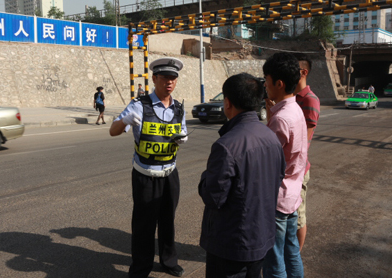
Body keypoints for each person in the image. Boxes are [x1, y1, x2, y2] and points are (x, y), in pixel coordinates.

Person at [199, 73, 286, 278]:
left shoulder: (226, 145)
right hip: (261, 237)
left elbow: (213, 197)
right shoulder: (270, 137)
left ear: (227, 102)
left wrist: (205, 177)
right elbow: (278, 177)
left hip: (231, 243)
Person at [109, 57, 188, 278]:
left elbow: (181, 131)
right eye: (165, 78)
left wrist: (181, 138)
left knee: (167, 220)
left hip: (170, 173)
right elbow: (112, 131)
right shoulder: (138, 106)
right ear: (154, 79)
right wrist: (124, 121)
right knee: (144, 225)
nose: (169, 83)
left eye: (173, 79)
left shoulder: (179, 108)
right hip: (145, 175)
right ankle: (141, 267)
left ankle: (168, 261)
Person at [262, 53, 308, 278]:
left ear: (279, 84)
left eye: (267, 80)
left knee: (274, 260)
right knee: (291, 253)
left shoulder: (280, 119)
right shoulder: (294, 108)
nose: (265, 85)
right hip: (292, 195)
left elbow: (267, 160)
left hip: (278, 199)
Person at [293, 53, 321, 252]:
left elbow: (304, 141)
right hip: (289, 167)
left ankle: (296, 255)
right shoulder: (293, 98)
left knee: (298, 217)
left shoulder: (309, 100)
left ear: (303, 72)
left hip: (298, 167)